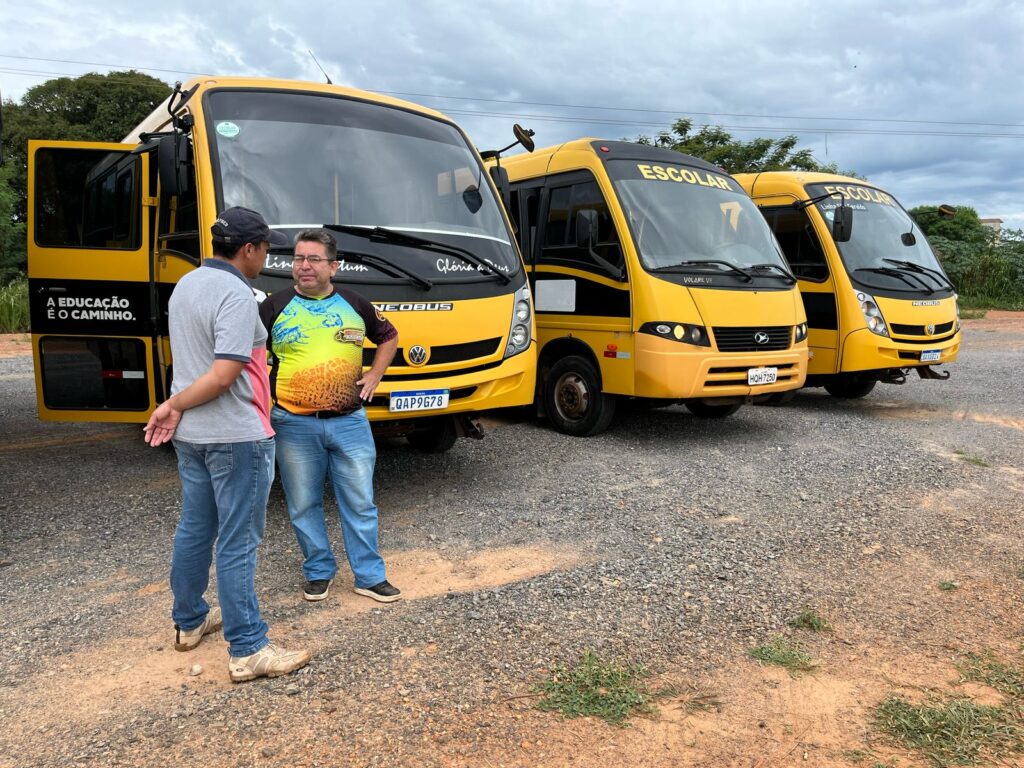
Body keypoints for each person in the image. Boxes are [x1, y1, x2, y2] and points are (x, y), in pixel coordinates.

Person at [145, 206, 311, 682]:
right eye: (265, 248)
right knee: (239, 541)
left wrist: (177, 408)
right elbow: (223, 374)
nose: (266, 257)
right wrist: (173, 404)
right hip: (237, 435)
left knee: (196, 528)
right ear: (249, 249)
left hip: (194, 436)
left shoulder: (188, 284)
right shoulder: (237, 294)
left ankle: (189, 622)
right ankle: (248, 648)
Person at [259, 228, 401, 604]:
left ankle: (369, 577)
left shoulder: (355, 303)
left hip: (350, 422)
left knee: (360, 501)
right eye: (298, 259)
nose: (304, 266)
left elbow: (388, 336)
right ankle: (319, 572)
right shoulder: (273, 307)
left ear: (333, 266)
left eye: (313, 259)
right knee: (303, 503)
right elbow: (250, 358)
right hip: (293, 424)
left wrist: (374, 375)